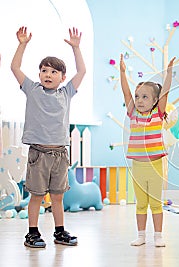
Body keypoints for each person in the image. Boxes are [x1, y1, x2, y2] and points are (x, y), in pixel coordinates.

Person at [10, 26, 86, 248]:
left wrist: (76, 48)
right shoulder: (33, 90)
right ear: (39, 74)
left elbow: (81, 72)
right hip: (38, 154)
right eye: (44, 70)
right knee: (36, 196)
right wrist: (22, 44)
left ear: (62, 77)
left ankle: (59, 232)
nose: (48, 75)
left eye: (53, 72)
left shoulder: (66, 93)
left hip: (60, 155)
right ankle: (32, 233)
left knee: (58, 197)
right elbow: (14, 67)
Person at [120, 54, 175, 247]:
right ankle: (141, 235)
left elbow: (166, 92)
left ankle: (158, 236)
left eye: (144, 97)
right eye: (137, 96)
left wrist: (169, 74)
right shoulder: (133, 113)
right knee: (141, 203)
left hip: (155, 165)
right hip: (138, 165)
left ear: (155, 101)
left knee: (155, 203)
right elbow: (126, 93)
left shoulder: (157, 114)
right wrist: (122, 73)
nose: (139, 100)